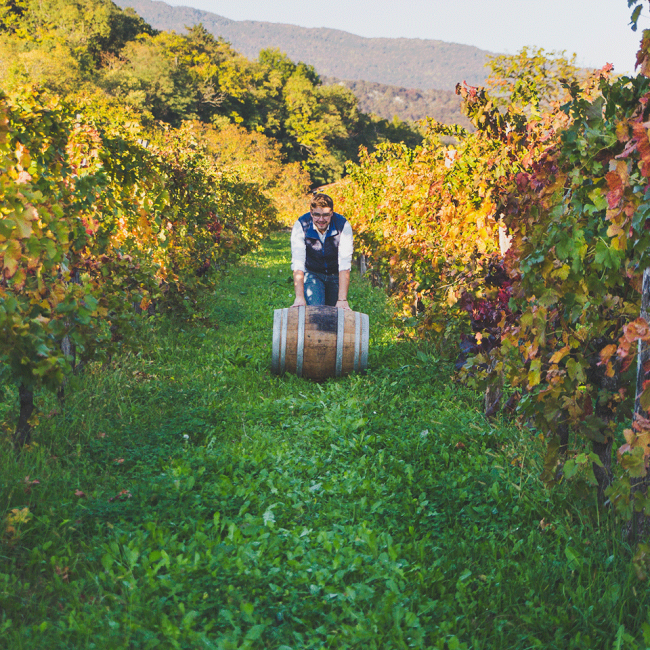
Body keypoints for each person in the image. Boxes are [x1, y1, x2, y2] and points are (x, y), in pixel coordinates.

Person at [290, 193, 353, 310]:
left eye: (326, 215)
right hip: (313, 273)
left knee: (334, 312)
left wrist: (342, 299)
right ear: (311, 213)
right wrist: (299, 297)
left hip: (335, 274)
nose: (321, 219)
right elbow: (298, 262)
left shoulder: (342, 225)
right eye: (317, 215)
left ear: (332, 213)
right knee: (317, 310)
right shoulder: (301, 225)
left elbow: (345, 263)